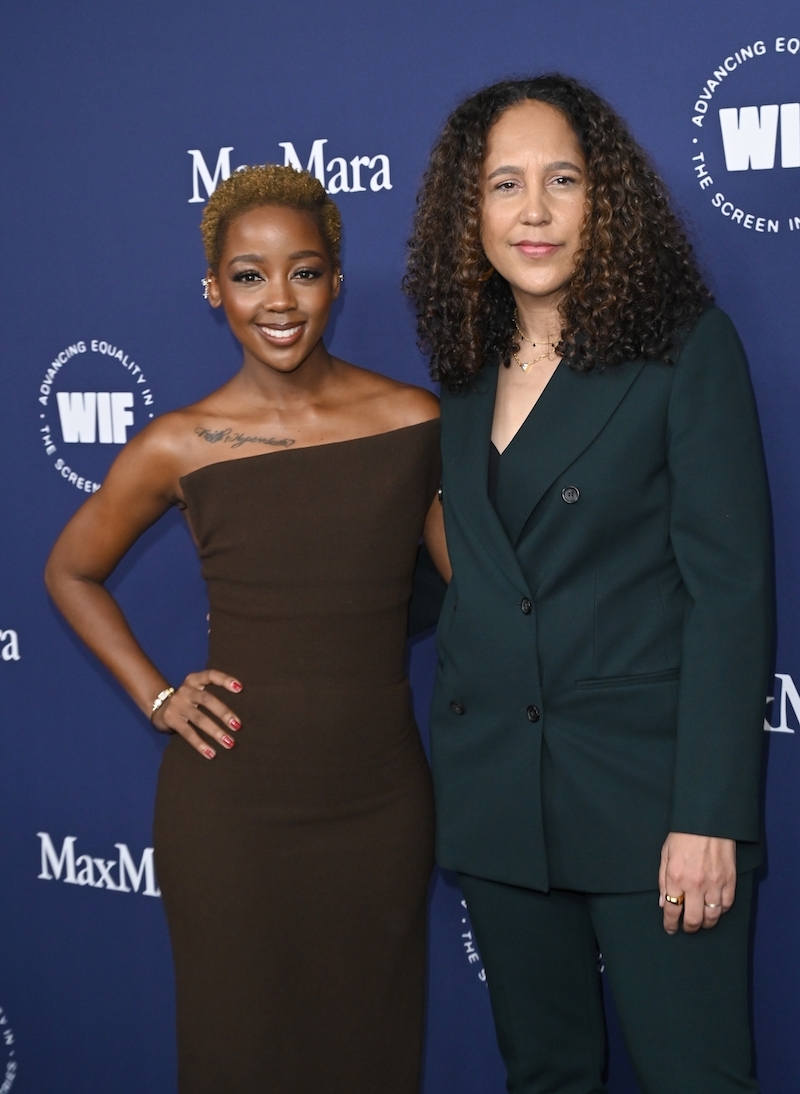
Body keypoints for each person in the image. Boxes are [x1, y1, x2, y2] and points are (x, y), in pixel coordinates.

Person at [404, 74, 773, 1094]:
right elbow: (463, 568)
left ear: (602, 196)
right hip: (497, 796)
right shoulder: (461, 366)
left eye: (560, 180)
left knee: (695, 1076)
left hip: (649, 798)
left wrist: (708, 814)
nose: (532, 212)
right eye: (502, 185)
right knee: (546, 1076)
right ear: (463, 210)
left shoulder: (681, 349)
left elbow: (728, 593)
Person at [45, 164, 449, 1094]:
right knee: (237, 1061)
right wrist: (156, 695)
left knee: (371, 1060)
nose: (278, 301)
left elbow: (482, 585)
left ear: (337, 281)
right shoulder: (176, 443)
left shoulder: (413, 420)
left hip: (379, 806)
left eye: (303, 272)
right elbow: (70, 571)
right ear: (214, 288)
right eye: (248, 274)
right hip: (229, 815)